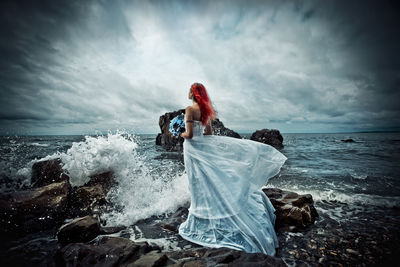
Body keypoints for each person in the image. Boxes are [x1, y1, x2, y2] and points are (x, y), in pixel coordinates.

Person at [178, 82, 287, 256]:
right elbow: (209, 134)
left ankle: (201, 218)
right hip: (203, 147)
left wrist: (180, 133)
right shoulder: (206, 110)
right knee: (210, 180)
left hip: (192, 148)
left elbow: (189, 134)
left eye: (190, 90)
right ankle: (214, 213)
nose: (188, 93)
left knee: (198, 181)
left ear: (193, 93)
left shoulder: (189, 110)